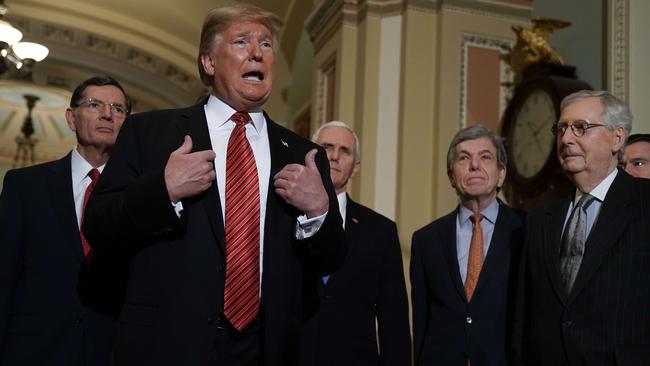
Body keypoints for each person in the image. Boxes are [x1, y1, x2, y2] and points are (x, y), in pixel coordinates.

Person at [81, 4, 346, 366]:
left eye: (266, 45)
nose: (257, 52)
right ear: (208, 62)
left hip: (266, 349)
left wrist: (319, 210)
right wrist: (164, 189)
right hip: (168, 344)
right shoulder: (150, 132)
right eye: (241, 42)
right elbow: (99, 224)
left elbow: (331, 258)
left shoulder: (303, 153)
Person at [512, 90, 650, 365]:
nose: (566, 139)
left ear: (617, 138)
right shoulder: (540, 219)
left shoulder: (644, 202)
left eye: (580, 128)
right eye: (561, 128)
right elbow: (523, 318)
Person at [0, 75, 131, 365]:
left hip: (108, 351)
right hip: (32, 350)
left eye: (118, 109)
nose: (107, 114)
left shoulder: (138, 193)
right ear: (72, 118)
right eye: (94, 104)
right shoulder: (25, 186)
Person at [298, 121, 411, 366]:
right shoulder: (283, 218)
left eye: (345, 151)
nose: (335, 156)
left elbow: (394, 321)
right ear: (310, 154)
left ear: (355, 167)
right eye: (326, 147)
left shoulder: (381, 231)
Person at [410, 124, 525, 365]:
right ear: (452, 176)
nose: (474, 165)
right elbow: (422, 321)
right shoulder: (425, 240)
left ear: (501, 173)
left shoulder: (528, 230)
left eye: (485, 157)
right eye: (464, 158)